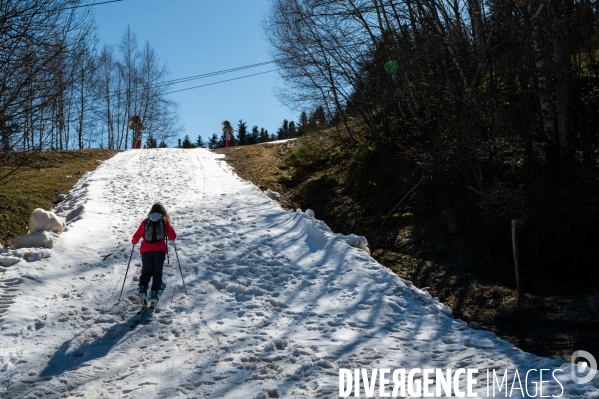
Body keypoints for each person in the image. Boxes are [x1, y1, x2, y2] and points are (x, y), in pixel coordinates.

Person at [131, 203, 177, 308]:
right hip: (160, 251)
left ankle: (143, 291)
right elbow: (173, 237)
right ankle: (154, 296)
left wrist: (134, 242)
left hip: (146, 250)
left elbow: (136, 237)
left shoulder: (146, 222)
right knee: (157, 273)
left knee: (146, 272)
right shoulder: (165, 222)